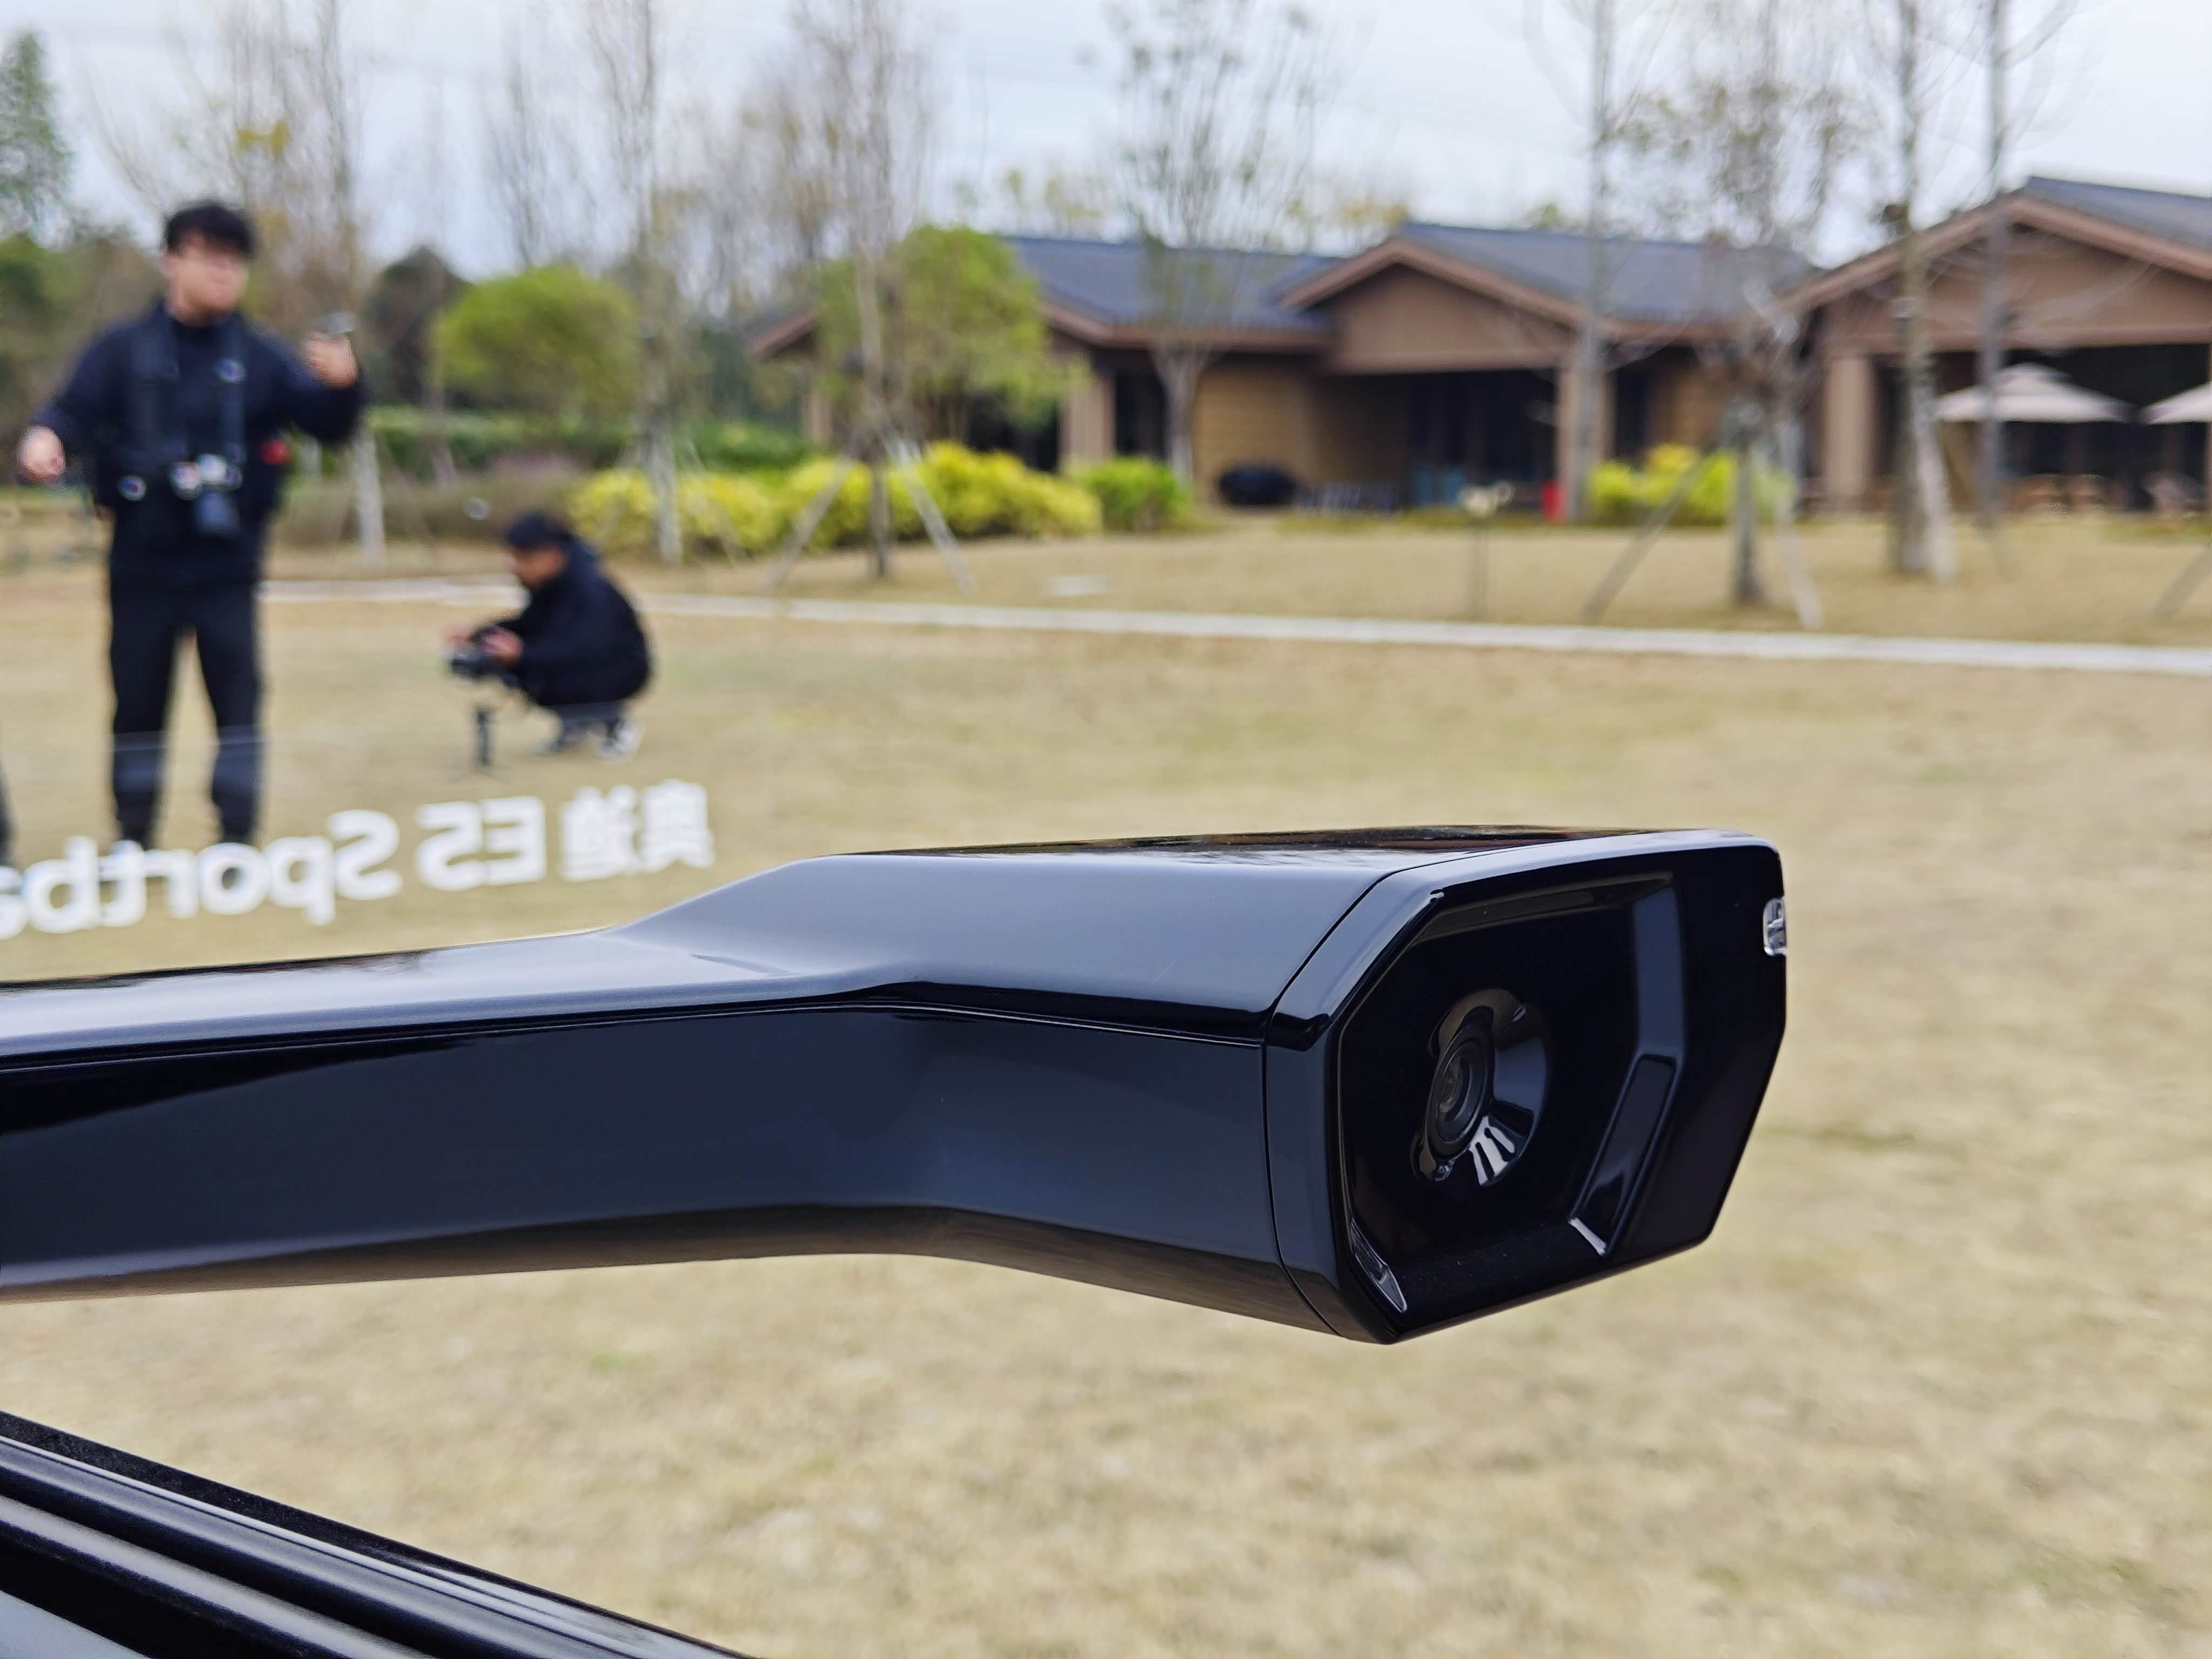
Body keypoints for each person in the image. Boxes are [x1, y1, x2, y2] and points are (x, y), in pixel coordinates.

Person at [15, 201, 363, 852]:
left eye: (234, 261)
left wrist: (345, 386)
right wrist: (44, 440)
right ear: (171, 261)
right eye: (208, 257)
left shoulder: (259, 355)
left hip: (227, 564)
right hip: (141, 560)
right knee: (137, 704)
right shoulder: (123, 349)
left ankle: (236, 839)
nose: (223, 273)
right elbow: (69, 412)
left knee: (237, 703)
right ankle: (134, 837)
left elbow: (328, 424)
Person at [447, 512, 651, 758]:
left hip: (618, 669)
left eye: (522, 559)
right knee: (515, 666)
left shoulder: (590, 590)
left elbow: (584, 649)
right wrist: (480, 634)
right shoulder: (552, 584)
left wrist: (522, 655)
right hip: (580, 660)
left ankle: (614, 722)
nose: (515, 567)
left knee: (535, 670)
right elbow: (529, 624)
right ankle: (575, 724)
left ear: (551, 555)